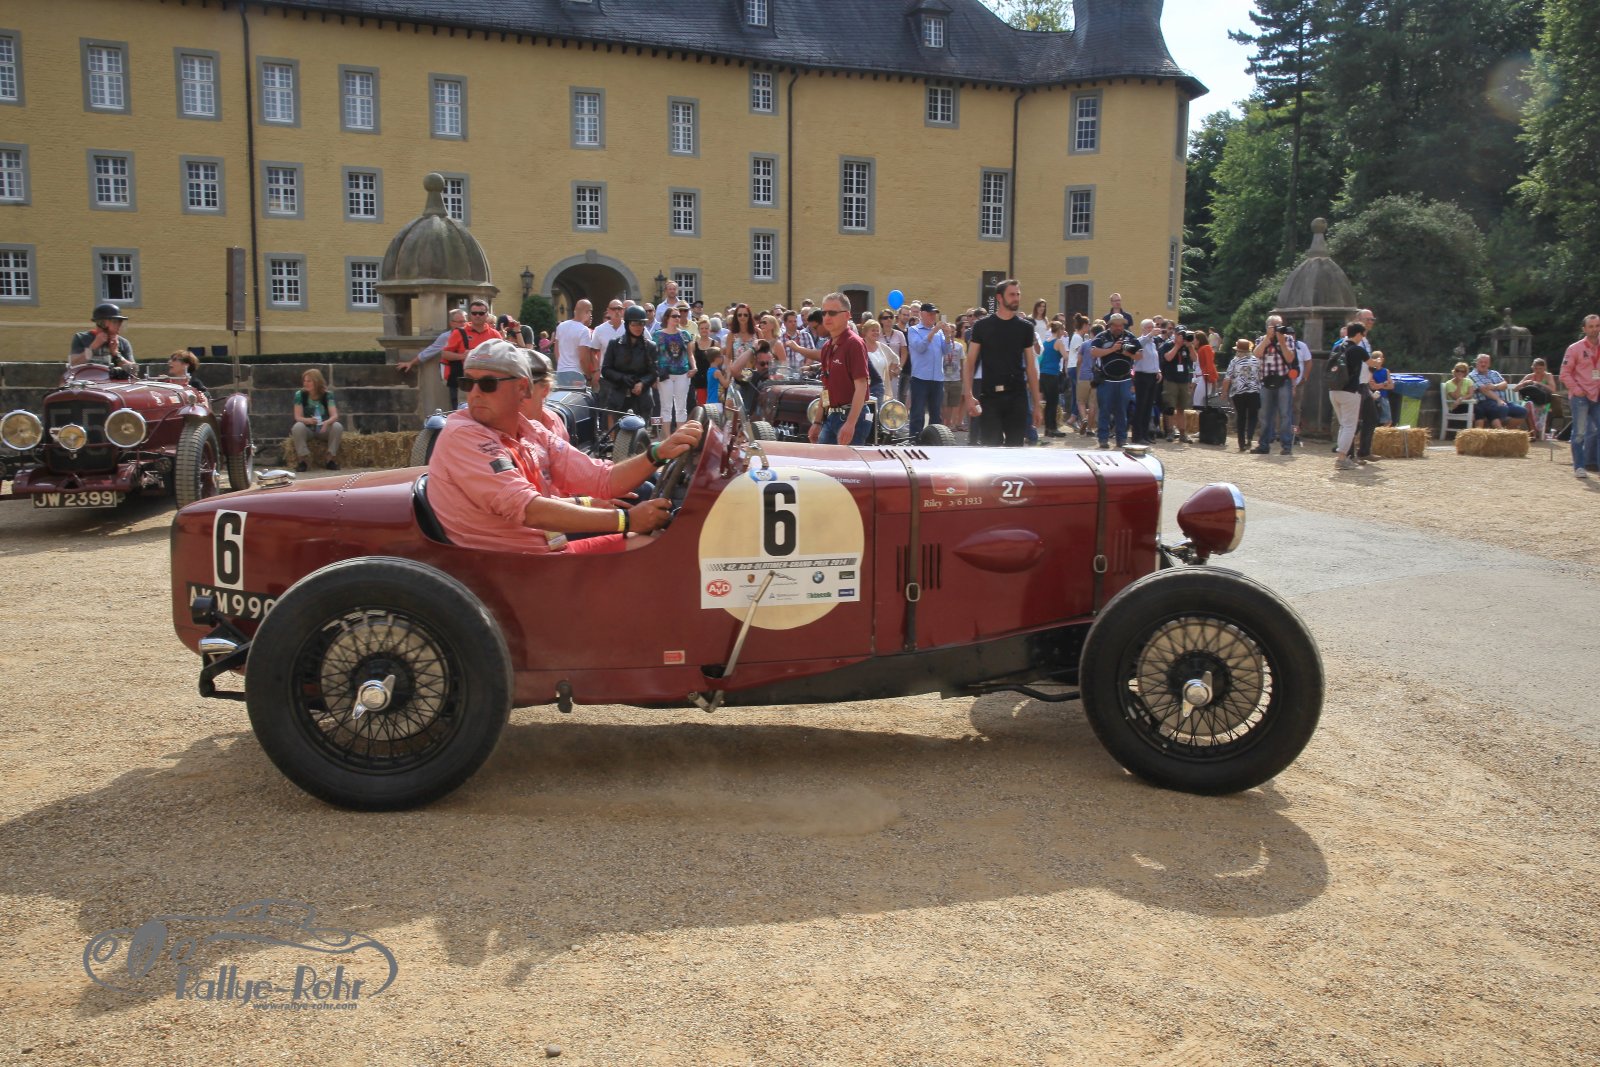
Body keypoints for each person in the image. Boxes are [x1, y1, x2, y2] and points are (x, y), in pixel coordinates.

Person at [427, 340, 701, 555]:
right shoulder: (464, 434)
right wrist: (626, 520)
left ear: (522, 388)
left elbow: (601, 478)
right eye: (468, 382)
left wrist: (658, 452)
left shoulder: (531, 431)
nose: (475, 393)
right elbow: (529, 509)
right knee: (651, 547)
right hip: (515, 565)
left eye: (487, 384)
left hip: (545, 547)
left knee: (654, 537)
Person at [964, 279, 1043, 447]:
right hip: (990, 396)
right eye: (1012, 294)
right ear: (999, 298)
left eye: (1018, 294)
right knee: (991, 449)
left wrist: (1037, 404)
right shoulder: (982, 326)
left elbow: (1031, 367)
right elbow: (970, 362)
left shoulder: (1025, 328)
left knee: (1015, 449)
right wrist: (968, 395)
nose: (1016, 298)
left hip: (1017, 396)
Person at [807, 293, 870, 446]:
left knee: (847, 462)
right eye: (824, 313)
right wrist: (817, 422)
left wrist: (850, 423)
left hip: (852, 417)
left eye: (832, 313)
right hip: (832, 417)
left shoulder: (854, 343)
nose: (827, 317)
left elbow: (861, 386)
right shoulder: (827, 347)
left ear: (847, 315)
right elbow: (826, 389)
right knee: (822, 459)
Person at [600, 305, 658, 424]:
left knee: (640, 433)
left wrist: (642, 383)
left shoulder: (650, 346)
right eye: (634, 324)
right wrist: (622, 378)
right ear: (627, 324)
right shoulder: (614, 344)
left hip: (642, 398)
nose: (638, 327)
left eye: (641, 324)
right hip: (618, 396)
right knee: (617, 432)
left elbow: (654, 372)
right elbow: (605, 370)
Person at [1558, 313, 1600, 477]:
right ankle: (1579, 467)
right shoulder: (1574, 348)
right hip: (1580, 396)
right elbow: (1564, 373)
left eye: (1597, 326)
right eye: (1591, 326)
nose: (1595, 329)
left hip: (1598, 395)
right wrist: (1577, 390)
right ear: (1584, 329)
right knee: (1579, 432)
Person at [1250, 315, 1299, 455]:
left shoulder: (1288, 339)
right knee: (1265, 415)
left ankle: (1286, 446)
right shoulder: (1261, 339)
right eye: (1276, 326)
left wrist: (1281, 342)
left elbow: (1290, 358)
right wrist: (1268, 338)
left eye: (1280, 325)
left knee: (1285, 414)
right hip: (1266, 381)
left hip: (1283, 380)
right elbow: (1256, 354)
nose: (1279, 329)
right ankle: (1263, 445)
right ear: (1268, 327)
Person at [1089, 314, 1138, 448]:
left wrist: (1125, 352)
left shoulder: (1130, 337)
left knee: (1122, 411)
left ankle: (1121, 439)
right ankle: (1103, 439)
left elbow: (1140, 355)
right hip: (1106, 380)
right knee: (1104, 410)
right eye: (1116, 325)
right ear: (1110, 325)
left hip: (1124, 379)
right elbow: (1093, 352)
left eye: (1121, 325)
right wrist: (1112, 349)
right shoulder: (1102, 337)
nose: (1118, 327)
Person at [906, 302, 951, 435]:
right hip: (920, 378)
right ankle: (915, 440)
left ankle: (934, 440)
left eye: (934, 314)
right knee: (917, 413)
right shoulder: (913, 330)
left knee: (936, 414)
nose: (933, 316)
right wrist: (934, 331)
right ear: (921, 314)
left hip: (937, 378)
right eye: (930, 313)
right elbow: (920, 347)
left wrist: (948, 336)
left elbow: (946, 351)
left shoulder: (939, 333)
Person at [1328, 324, 1366, 471]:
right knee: (1349, 426)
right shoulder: (1358, 349)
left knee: (1343, 425)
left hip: (1333, 390)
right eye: (1363, 334)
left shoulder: (1337, 347)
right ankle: (1342, 458)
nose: (1363, 337)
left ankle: (1342, 457)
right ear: (1358, 334)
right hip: (1350, 392)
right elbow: (1372, 364)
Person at [290, 368, 343, 472]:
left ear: (317, 382)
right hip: (308, 429)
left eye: (309, 381)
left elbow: (335, 415)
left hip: (323, 429)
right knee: (297, 426)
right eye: (304, 381)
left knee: (337, 426)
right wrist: (308, 420)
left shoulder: (327, 395)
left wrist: (326, 422)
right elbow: (298, 417)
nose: (305, 383)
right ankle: (302, 460)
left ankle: (330, 459)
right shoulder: (299, 395)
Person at [652, 307, 694, 436]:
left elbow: (690, 354)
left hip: (683, 373)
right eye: (674, 316)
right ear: (667, 318)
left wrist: (694, 367)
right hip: (665, 374)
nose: (677, 318)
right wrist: (654, 375)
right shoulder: (658, 335)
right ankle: (667, 437)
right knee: (666, 406)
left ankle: (680, 435)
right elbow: (653, 356)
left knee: (681, 406)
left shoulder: (685, 334)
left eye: (678, 316)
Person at [397, 307, 468, 379]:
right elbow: (428, 352)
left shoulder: (471, 333)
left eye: (465, 321)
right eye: (460, 322)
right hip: (455, 373)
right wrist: (411, 363)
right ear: (451, 323)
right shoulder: (446, 337)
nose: (463, 324)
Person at [1468, 352, 1531, 432]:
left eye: (1486, 362)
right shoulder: (1472, 375)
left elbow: (1504, 384)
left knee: (1522, 411)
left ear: (1489, 364)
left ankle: (1505, 433)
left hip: (1503, 401)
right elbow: (1484, 390)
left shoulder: (1494, 373)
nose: (1483, 364)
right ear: (1476, 363)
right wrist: (1498, 400)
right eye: (1481, 362)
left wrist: (1494, 386)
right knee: (1503, 408)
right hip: (1485, 402)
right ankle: (1499, 432)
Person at [1220, 338, 1262, 452]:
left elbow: (1227, 378)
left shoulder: (1234, 362)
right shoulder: (1256, 361)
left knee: (1241, 417)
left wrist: (1224, 392)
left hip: (1238, 392)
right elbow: (1260, 376)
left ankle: (1241, 443)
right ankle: (1250, 436)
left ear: (1238, 351)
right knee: (1253, 415)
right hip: (1254, 391)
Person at [69, 303, 137, 373]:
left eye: (120, 322)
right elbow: (74, 365)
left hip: (113, 380)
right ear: (102, 323)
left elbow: (134, 371)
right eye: (115, 322)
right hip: (88, 378)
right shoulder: (81, 338)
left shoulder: (123, 343)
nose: (119, 325)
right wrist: (93, 347)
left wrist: (116, 354)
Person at [1160, 329, 1197, 443]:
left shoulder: (1187, 346)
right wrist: (1177, 346)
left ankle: (1182, 433)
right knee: (1170, 408)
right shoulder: (1167, 345)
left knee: (1181, 408)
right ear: (1175, 335)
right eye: (1181, 335)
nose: (1183, 337)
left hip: (1184, 380)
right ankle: (1170, 432)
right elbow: (1168, 358)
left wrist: (1190, 346)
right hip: (1171, 380)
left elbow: (1194, 359)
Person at [1130, 318, 1163, 445]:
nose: (1151, 329)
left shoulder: (1153, 343)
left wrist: (1158, 371)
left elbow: (1154, 359)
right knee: (1141, 405)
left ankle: (1145, 434)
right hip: (1142, 376)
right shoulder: (1139, 341)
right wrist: (1149, 335)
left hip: (1152, 376)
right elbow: (1137, 346)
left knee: (1149, 406)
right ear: (1143, 329)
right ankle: (1137, 435)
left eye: (1152, 327)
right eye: (1148, 327)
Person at [554, 299, 598, 385]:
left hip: (560, 372)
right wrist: (589, 377)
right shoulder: (584, 331)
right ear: (587, 312)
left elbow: (556, 351)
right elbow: (583, 358)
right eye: (590, 312)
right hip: (576, 374)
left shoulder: (561, 326)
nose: (591, 315)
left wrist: (562, 365)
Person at [1039, 320, 1067, 437]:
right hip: (1052, 374)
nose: (1063, 332)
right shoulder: (1058, 342)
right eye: (1062, 329)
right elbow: (1066, 356)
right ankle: (1053, 428)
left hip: (1043, 374)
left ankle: (1048, 428)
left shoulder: (1046, 342)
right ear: (1059, 330)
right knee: (1053, 402)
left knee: (1048, 402)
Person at [942, 318, 967, 429]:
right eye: (948, 331)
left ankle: (951, 423)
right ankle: (944, 424)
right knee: (944, 404)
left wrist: (962, 379)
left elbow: (962, 362)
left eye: (953, 331)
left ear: (955, 332)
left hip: (956, 379)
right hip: (943, 379)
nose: (950, 334)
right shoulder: (941, 344)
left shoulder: (959, 346)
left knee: (954, 403)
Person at [1369, 351, 1393, 426]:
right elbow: (1372, 386)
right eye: (1381, 358)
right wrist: (1384, 384)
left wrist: (1379, 385)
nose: (1383, 359)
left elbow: (1391, 386)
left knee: (1388, 420)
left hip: (1384, 397)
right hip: (1376, 397)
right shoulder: (1371, 372)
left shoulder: (1386, 371)